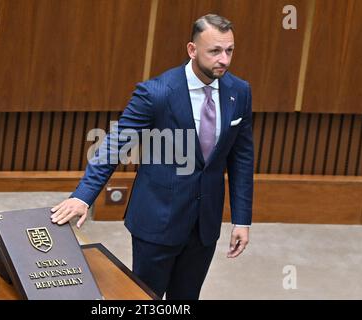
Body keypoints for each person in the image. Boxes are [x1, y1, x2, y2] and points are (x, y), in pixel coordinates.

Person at [50, 14, 254, 300]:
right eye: (215, 51)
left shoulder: (239, 92)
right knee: (146, 298)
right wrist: (83, 196)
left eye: (229, 50)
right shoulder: (156, 92)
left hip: (204, 224)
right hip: (158, 220)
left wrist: (242, 220)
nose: (224, 59)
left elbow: (242, 158)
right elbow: (114, 145)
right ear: (192, 50)